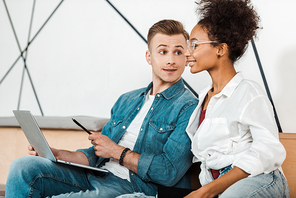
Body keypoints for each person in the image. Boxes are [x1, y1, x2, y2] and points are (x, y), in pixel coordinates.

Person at [5, 19, 198, 197]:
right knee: (23, 168)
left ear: (186, 57)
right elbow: (94, 155)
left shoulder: (189, 106)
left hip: (133, 186)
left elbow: (168, 172)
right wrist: (59, 154)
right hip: (98, 174)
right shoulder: (127, 100)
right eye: (163, 51)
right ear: (149, 57)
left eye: (178, 52)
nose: (171, 60)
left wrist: (116, 151)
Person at [184, 0, 290, 197]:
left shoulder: (249, 92)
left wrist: (207, 191)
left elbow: (268, 149)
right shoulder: (203, 97)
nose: (187, 53)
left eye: (194, 45)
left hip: (260, 179)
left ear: (220, 50)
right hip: (221, 186)